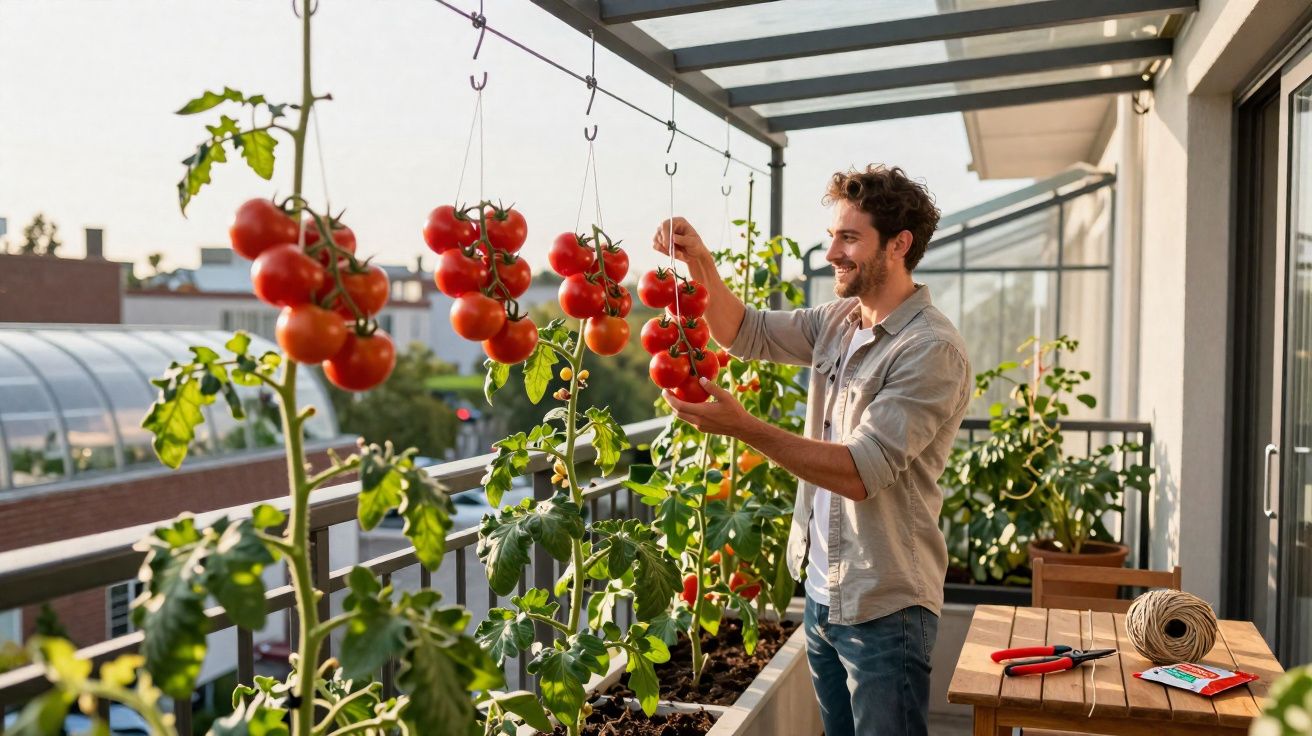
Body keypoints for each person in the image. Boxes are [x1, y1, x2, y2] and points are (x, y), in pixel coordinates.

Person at [653, 164, 970, 736]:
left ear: (899, 245)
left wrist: (745, 427)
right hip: (824, 595)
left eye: (849, 238)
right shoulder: (840, 322)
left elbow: (859, 471)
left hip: (884, 605)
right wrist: (698, 259)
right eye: (832, 236)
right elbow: (741, 331)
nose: (831, 253)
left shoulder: (930, 350)